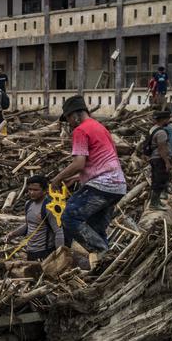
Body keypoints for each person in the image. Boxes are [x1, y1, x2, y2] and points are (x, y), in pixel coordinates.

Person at [50, 95, 126, 256]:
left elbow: (79, 163)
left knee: (69, 216)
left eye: (69, 118)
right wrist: (78, 178)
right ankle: (104, 266)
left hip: (102, 185)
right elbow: (104, 161)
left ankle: (103, 252)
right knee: (96, 228)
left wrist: (57, 178)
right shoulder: (100, 127)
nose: (69, 123)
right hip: (117, 186)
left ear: (76, 115)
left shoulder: (81, 130)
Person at [6, 175, 65, 261]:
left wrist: (60, 255)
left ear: (45, 190)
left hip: (45, 252)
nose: (31, 192)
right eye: (30, 189)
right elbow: (28, 225)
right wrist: (13, 234)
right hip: (31, 251)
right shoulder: (28, 204)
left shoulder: (49, 207)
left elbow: (58, 232)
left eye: (36, 190)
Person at [142, 110, 172, 209]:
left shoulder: (155, 129)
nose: (169, 120)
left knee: (156, 180)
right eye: (167, 119)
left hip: (155, 158)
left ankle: (156, 201)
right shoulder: (162, 132)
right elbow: (162, 149)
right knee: (159, 180)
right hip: (159, 159)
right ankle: (154, 204)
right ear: (163, 119)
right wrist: (167, 162)